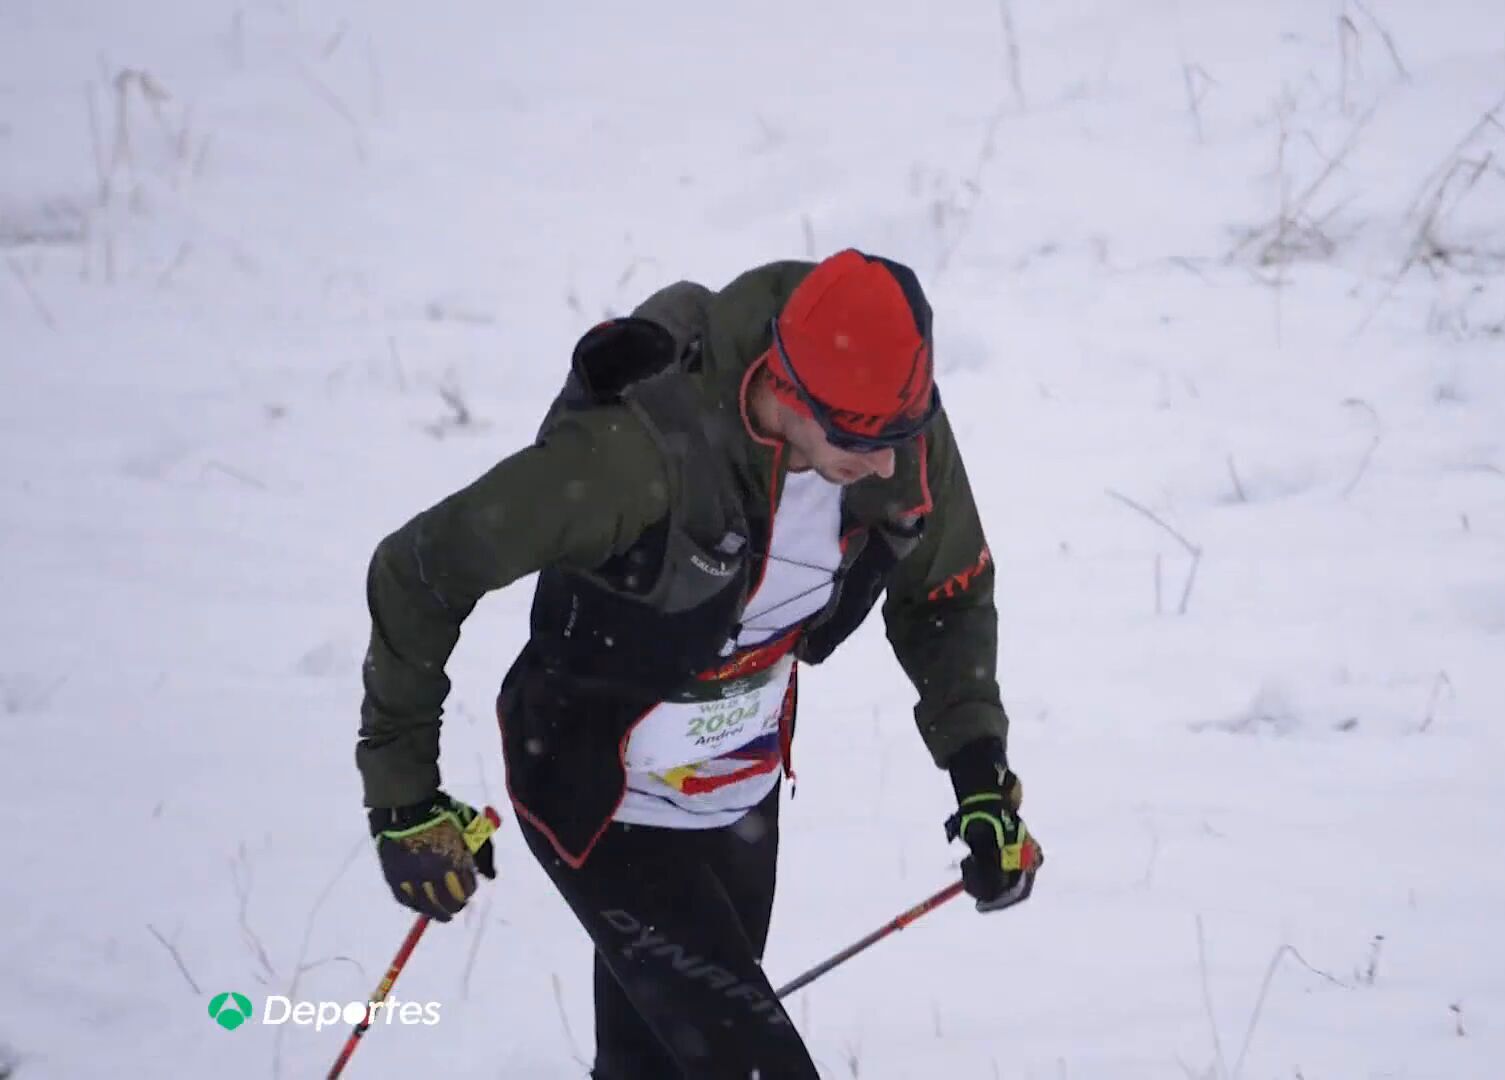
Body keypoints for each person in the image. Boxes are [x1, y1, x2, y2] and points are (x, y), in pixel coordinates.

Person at [352, 249, 1042, 1078]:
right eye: (865, 439)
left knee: (656, 1065)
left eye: (903, 432)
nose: (891, 462)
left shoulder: (892, 421)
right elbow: (419, 567)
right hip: (601, 800)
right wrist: (403, 795)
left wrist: (979, 780)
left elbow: (948, 591)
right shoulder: (632, 462)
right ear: (788, 391)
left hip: (738, 801)